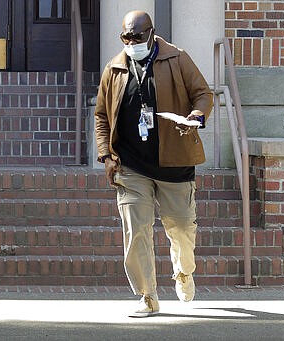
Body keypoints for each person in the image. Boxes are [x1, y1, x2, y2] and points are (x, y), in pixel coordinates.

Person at [94, 10, 213, 317]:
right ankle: (147, 295)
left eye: (136, 36)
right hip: (131, 165)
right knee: (136, 232)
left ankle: (184, 271)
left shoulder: (177, 59)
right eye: (125, 37)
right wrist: (106, 155)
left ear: (151, 32)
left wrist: (196, 117)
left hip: (175, 163)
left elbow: (203, 94)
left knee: (183, 230)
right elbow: (101, 116)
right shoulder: (115, 68)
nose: (131, 42)